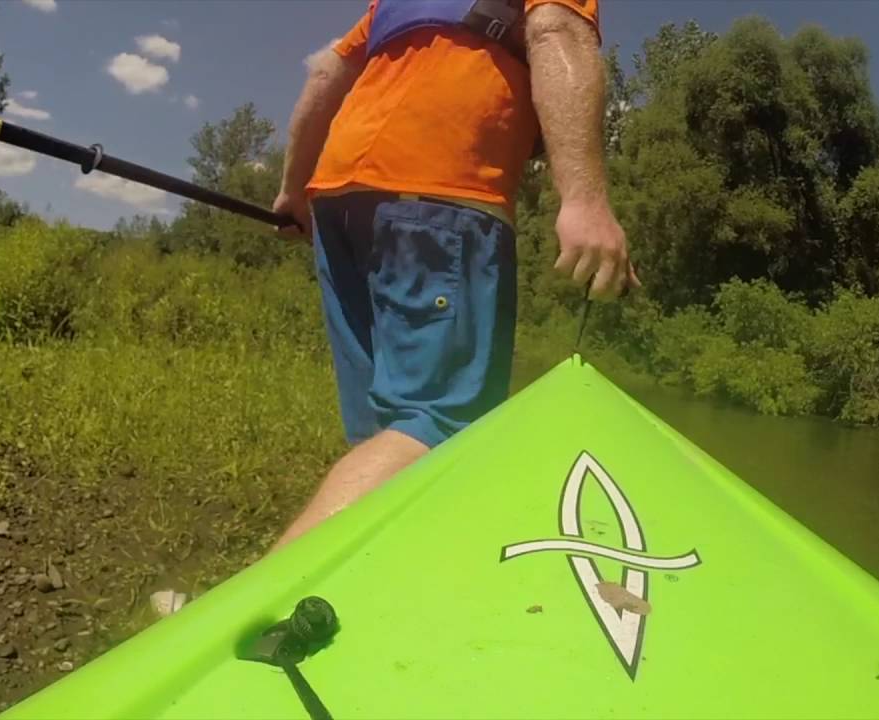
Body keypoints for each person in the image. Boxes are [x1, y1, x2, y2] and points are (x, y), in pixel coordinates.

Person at [268, 0, 638, 551]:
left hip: (339, 201)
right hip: (442, 196)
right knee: (440, 424)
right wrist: (584, 198)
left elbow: (326, 75)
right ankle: (254, 610)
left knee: (384, 432)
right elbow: (557, 30)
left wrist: (293, 189)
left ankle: (370, 593)